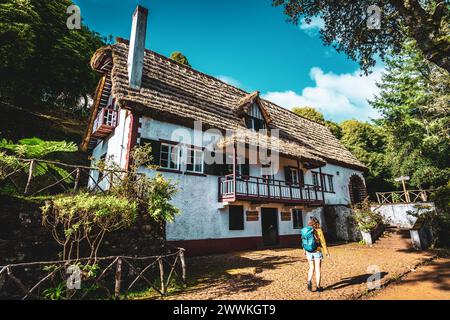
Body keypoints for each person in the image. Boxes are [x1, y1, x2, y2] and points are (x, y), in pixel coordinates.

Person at [302, 217, 329, 292]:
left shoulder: (306, 230)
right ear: (316, 223)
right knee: (318, 269)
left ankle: (309, 283)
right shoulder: (319, 230)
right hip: (317, 251)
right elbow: (323, 242)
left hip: (308, 251)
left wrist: (304, 250)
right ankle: (318, 287)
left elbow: (304, 240)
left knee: (311, 268)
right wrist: (326, 252)